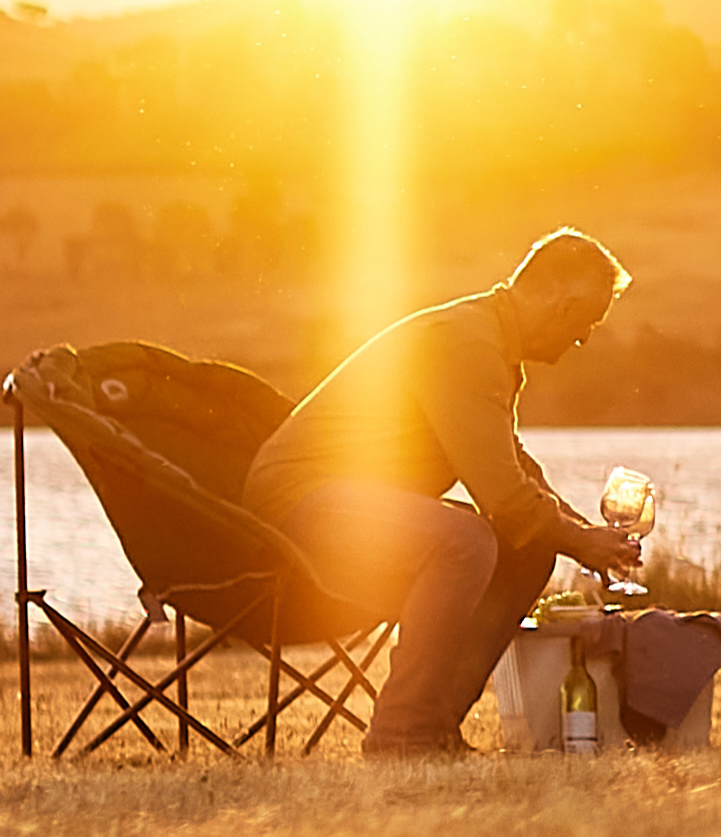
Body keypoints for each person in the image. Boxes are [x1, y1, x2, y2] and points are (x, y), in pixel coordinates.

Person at [255, 230, 647, 763]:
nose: (584, 340)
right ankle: (401, 734)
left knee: (526, 547)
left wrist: (586, 536)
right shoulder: (467, 344)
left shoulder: (489, 343)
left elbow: (513, 470)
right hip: (298, 506)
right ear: (564, 305)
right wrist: (583, 541)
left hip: (354, 506)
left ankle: (434, 728)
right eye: (588, 325)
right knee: (463, 541)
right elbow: (505, 497)